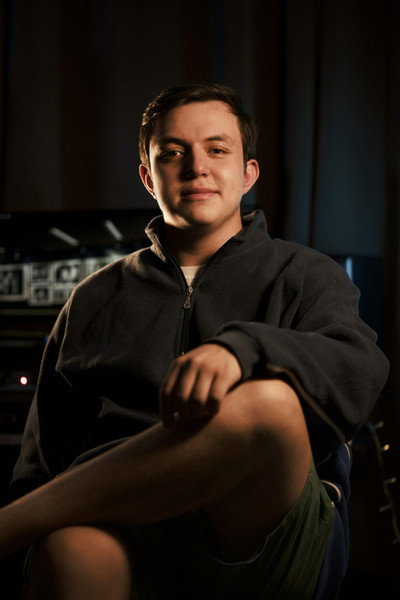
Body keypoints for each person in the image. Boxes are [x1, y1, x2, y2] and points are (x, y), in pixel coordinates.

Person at [0, 84, 389, 599]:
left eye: (217, 149)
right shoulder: (92, 299)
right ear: (149, 177)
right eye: (173, 153)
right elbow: (42, 458)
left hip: (261, 531)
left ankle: (8, 527)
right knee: (68, 549)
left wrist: (242, 350)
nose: (197, 167)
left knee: (269, 403)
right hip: (125, 531)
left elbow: (360, 368)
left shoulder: (306, 275)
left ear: (248, 173)